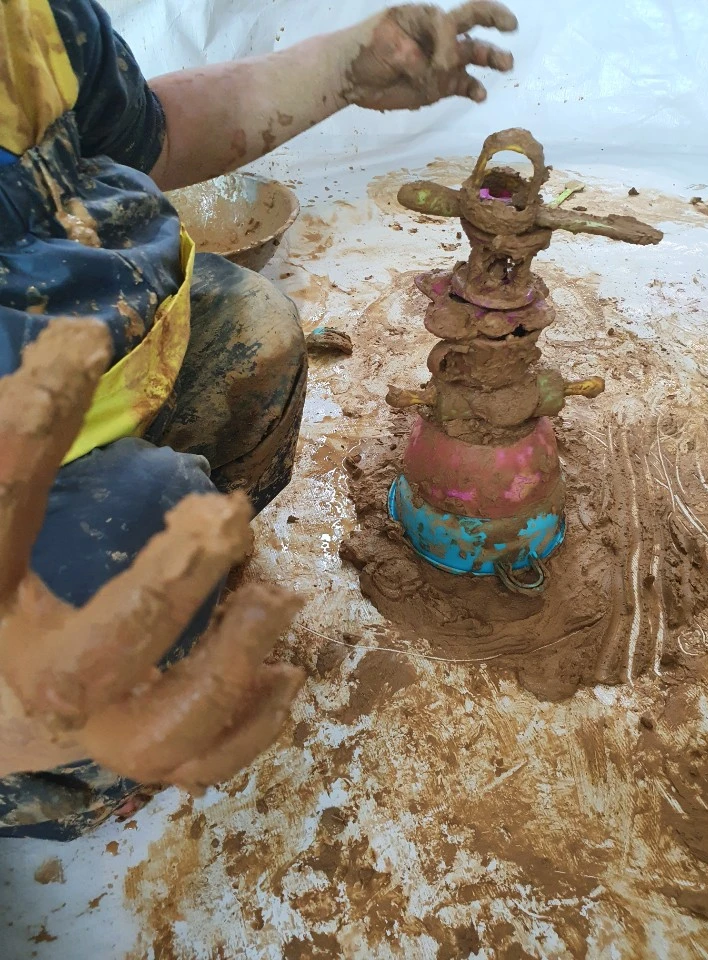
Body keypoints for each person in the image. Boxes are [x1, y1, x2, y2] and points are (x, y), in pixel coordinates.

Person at [0, 0, 517, 839]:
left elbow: (150, 134)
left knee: (258, 331)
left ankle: (189, 575)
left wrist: (341, 70)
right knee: (142, 521)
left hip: (118, 360)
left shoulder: (30, 22)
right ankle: (56, 771)